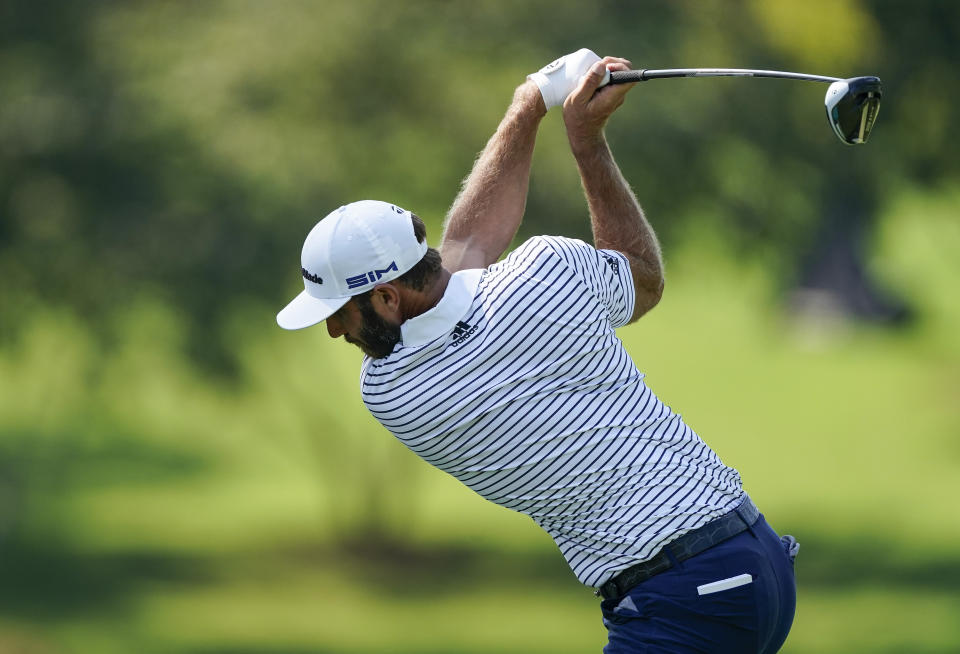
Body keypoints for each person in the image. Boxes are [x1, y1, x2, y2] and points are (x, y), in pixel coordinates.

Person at [277, 49, 798, 654]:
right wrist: (576, 134)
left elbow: (467, 251)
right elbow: (640, 279)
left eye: (339, 312)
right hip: (751, 558)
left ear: (389, 298)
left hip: (683, 598)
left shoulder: (393, 391)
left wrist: (532, 109)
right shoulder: (549, 270)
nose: (335, 333)